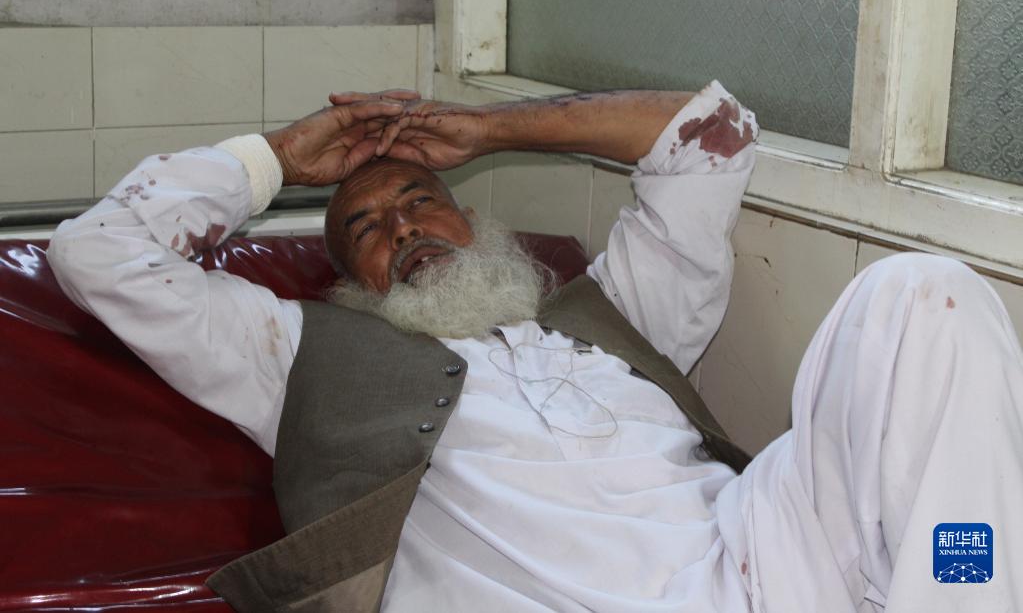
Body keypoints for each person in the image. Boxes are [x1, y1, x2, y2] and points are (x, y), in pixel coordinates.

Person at [47, 82, 1023, 613]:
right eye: (367, 230)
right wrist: (279, 156)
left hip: (755, 562)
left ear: (470, 219)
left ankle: (966, 597)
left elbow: (713, 138)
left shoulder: (612, 309)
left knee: (921, 292)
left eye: (418, 200)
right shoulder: (300, 355)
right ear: (347, 282)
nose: (403, 227)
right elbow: (97, 253)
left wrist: (492, 128)